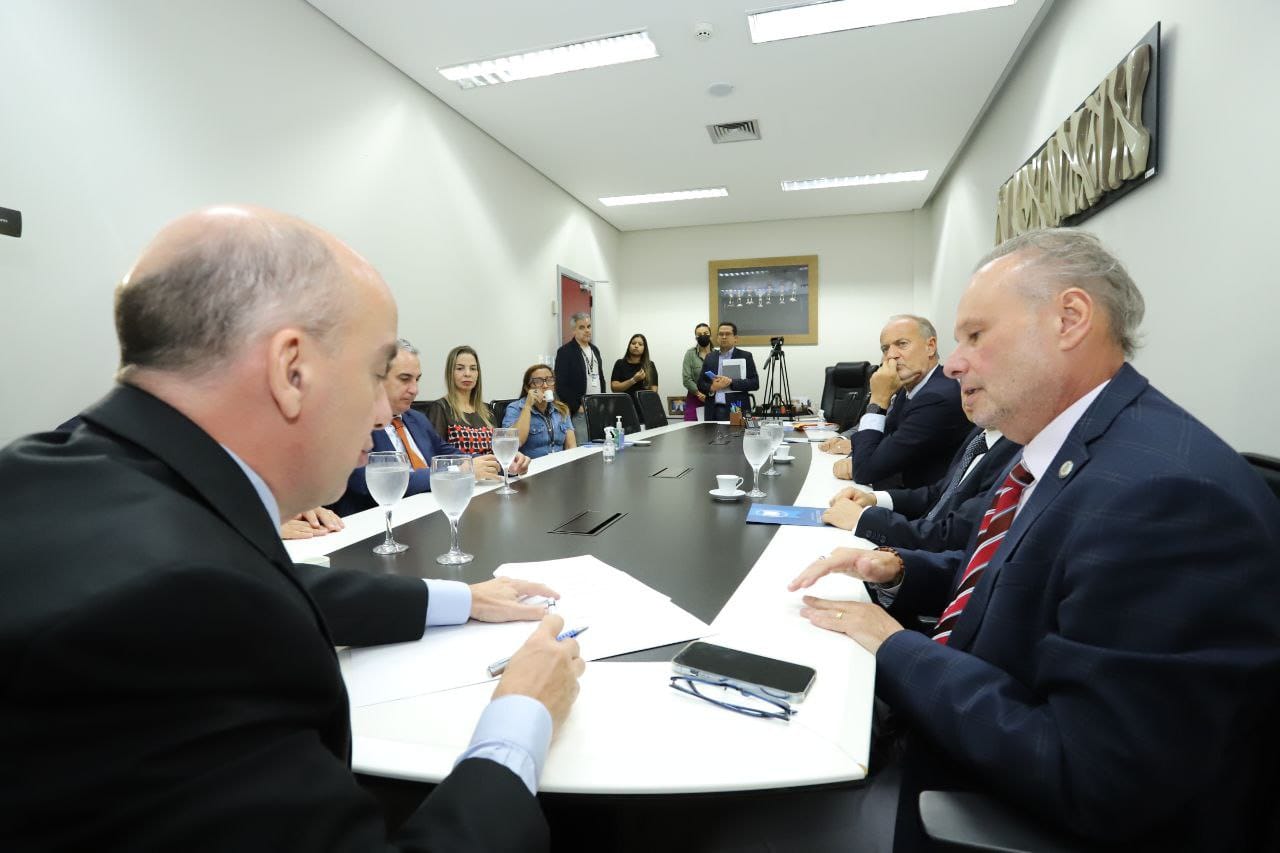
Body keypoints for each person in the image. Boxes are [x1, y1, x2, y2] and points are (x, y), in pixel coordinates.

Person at [0, 205, 585, 850]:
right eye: (374, 373)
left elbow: (260, 585)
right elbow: (211, 607)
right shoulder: (173, 608)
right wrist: (519, 721)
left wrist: (461, 599)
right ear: (291, 369)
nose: (383, 407)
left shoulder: (59, 470)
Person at [788, 228, 1280, 850]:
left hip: (968, 798)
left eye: (974, 335)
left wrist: (894, 647)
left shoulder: (1166, 498)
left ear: (1070, 319)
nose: (953, 363)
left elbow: (1093, 774)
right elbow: (1013, 577)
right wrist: (899, 569)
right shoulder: (1073, 449)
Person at [330, 338, 509, 516]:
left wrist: (502, 462)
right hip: (377, 526)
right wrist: (456, 471)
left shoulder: (417, 419)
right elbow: (369, 481)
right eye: (405, 379)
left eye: (417, 379)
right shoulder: (353, 421)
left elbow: (450, 454)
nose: (415, 390)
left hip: (431, 513)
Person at [823, 425, 1020, 552]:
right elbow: (939, 494)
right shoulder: (981, 433)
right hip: (915, 545)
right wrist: (874, 499)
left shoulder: (1015, 451)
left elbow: (951, 537)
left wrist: (862, 518)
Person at [834, 315, 971, 489]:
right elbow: (880, 444)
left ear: (930, 346)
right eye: (885, 349)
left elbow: (865, 470)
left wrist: (877, 400)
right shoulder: (907, 389)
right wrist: (855, 458)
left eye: (902, 344)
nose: (891, 356)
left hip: (922, 508)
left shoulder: (938, 397)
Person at [423, 344, 530, 473]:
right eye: (460, 368)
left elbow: (497, 454)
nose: (467, 374)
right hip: (463, 482)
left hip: (493, 479)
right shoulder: (440, 408)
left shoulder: (487, 410)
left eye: (473, 369)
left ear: (478, 374)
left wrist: (514, 465)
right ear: (450, 373)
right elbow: (436, 460)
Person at [502, 364, 578, 458]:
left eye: (549, 380)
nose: (545, 385)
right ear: (527, 388)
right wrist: (527, 406)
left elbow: (571, 446)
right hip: (531, 468)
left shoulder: (562, 409)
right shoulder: (514, 409)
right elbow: (517, 442)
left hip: (559, 465)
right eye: (538, 381)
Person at [552, 312, 605, 445]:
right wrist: (578, 406)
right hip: (579, 411)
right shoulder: (565, 352)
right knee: (583, 448)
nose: (587, 330)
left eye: (589, 326)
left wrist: (603, 400)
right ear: (574, 330)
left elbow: (600, 378)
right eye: (582, 327)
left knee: (599, 445)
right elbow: (560, 384)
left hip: (596, 408)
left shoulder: (595, 350)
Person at [696, 322, 760, 421]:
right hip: (713, 409)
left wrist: (731, 382)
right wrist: (712, 387)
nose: (724, 337)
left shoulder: (745, 356)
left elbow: (754, 383)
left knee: (736, 435)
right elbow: (700, 384)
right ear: (717, 338)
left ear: (735, 338)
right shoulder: (710, 357)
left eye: (728, 334)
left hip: (736, 407)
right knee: (711, 436)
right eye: (721, 334)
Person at [609, 332, 659, 408]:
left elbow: (654, 391)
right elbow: (614, 388)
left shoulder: (650, 365)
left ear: (644, 348)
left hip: (644, 408)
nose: (636, 346)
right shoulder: (620, 363)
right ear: (629, 346)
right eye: (633, 343)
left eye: (640, 344)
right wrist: (634, 380)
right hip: (623, 407)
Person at [681, 322, 714, 421]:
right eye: (699, 334)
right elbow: (686, 379)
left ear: (710, 335)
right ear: (696, 337)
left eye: (705, 333)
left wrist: (710, 393)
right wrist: (698, 393)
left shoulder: (718, 354)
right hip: (694, 397)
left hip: (713, 399)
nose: (702, 336)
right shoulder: (690, 354)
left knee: (712, 431)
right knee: (692, 431)